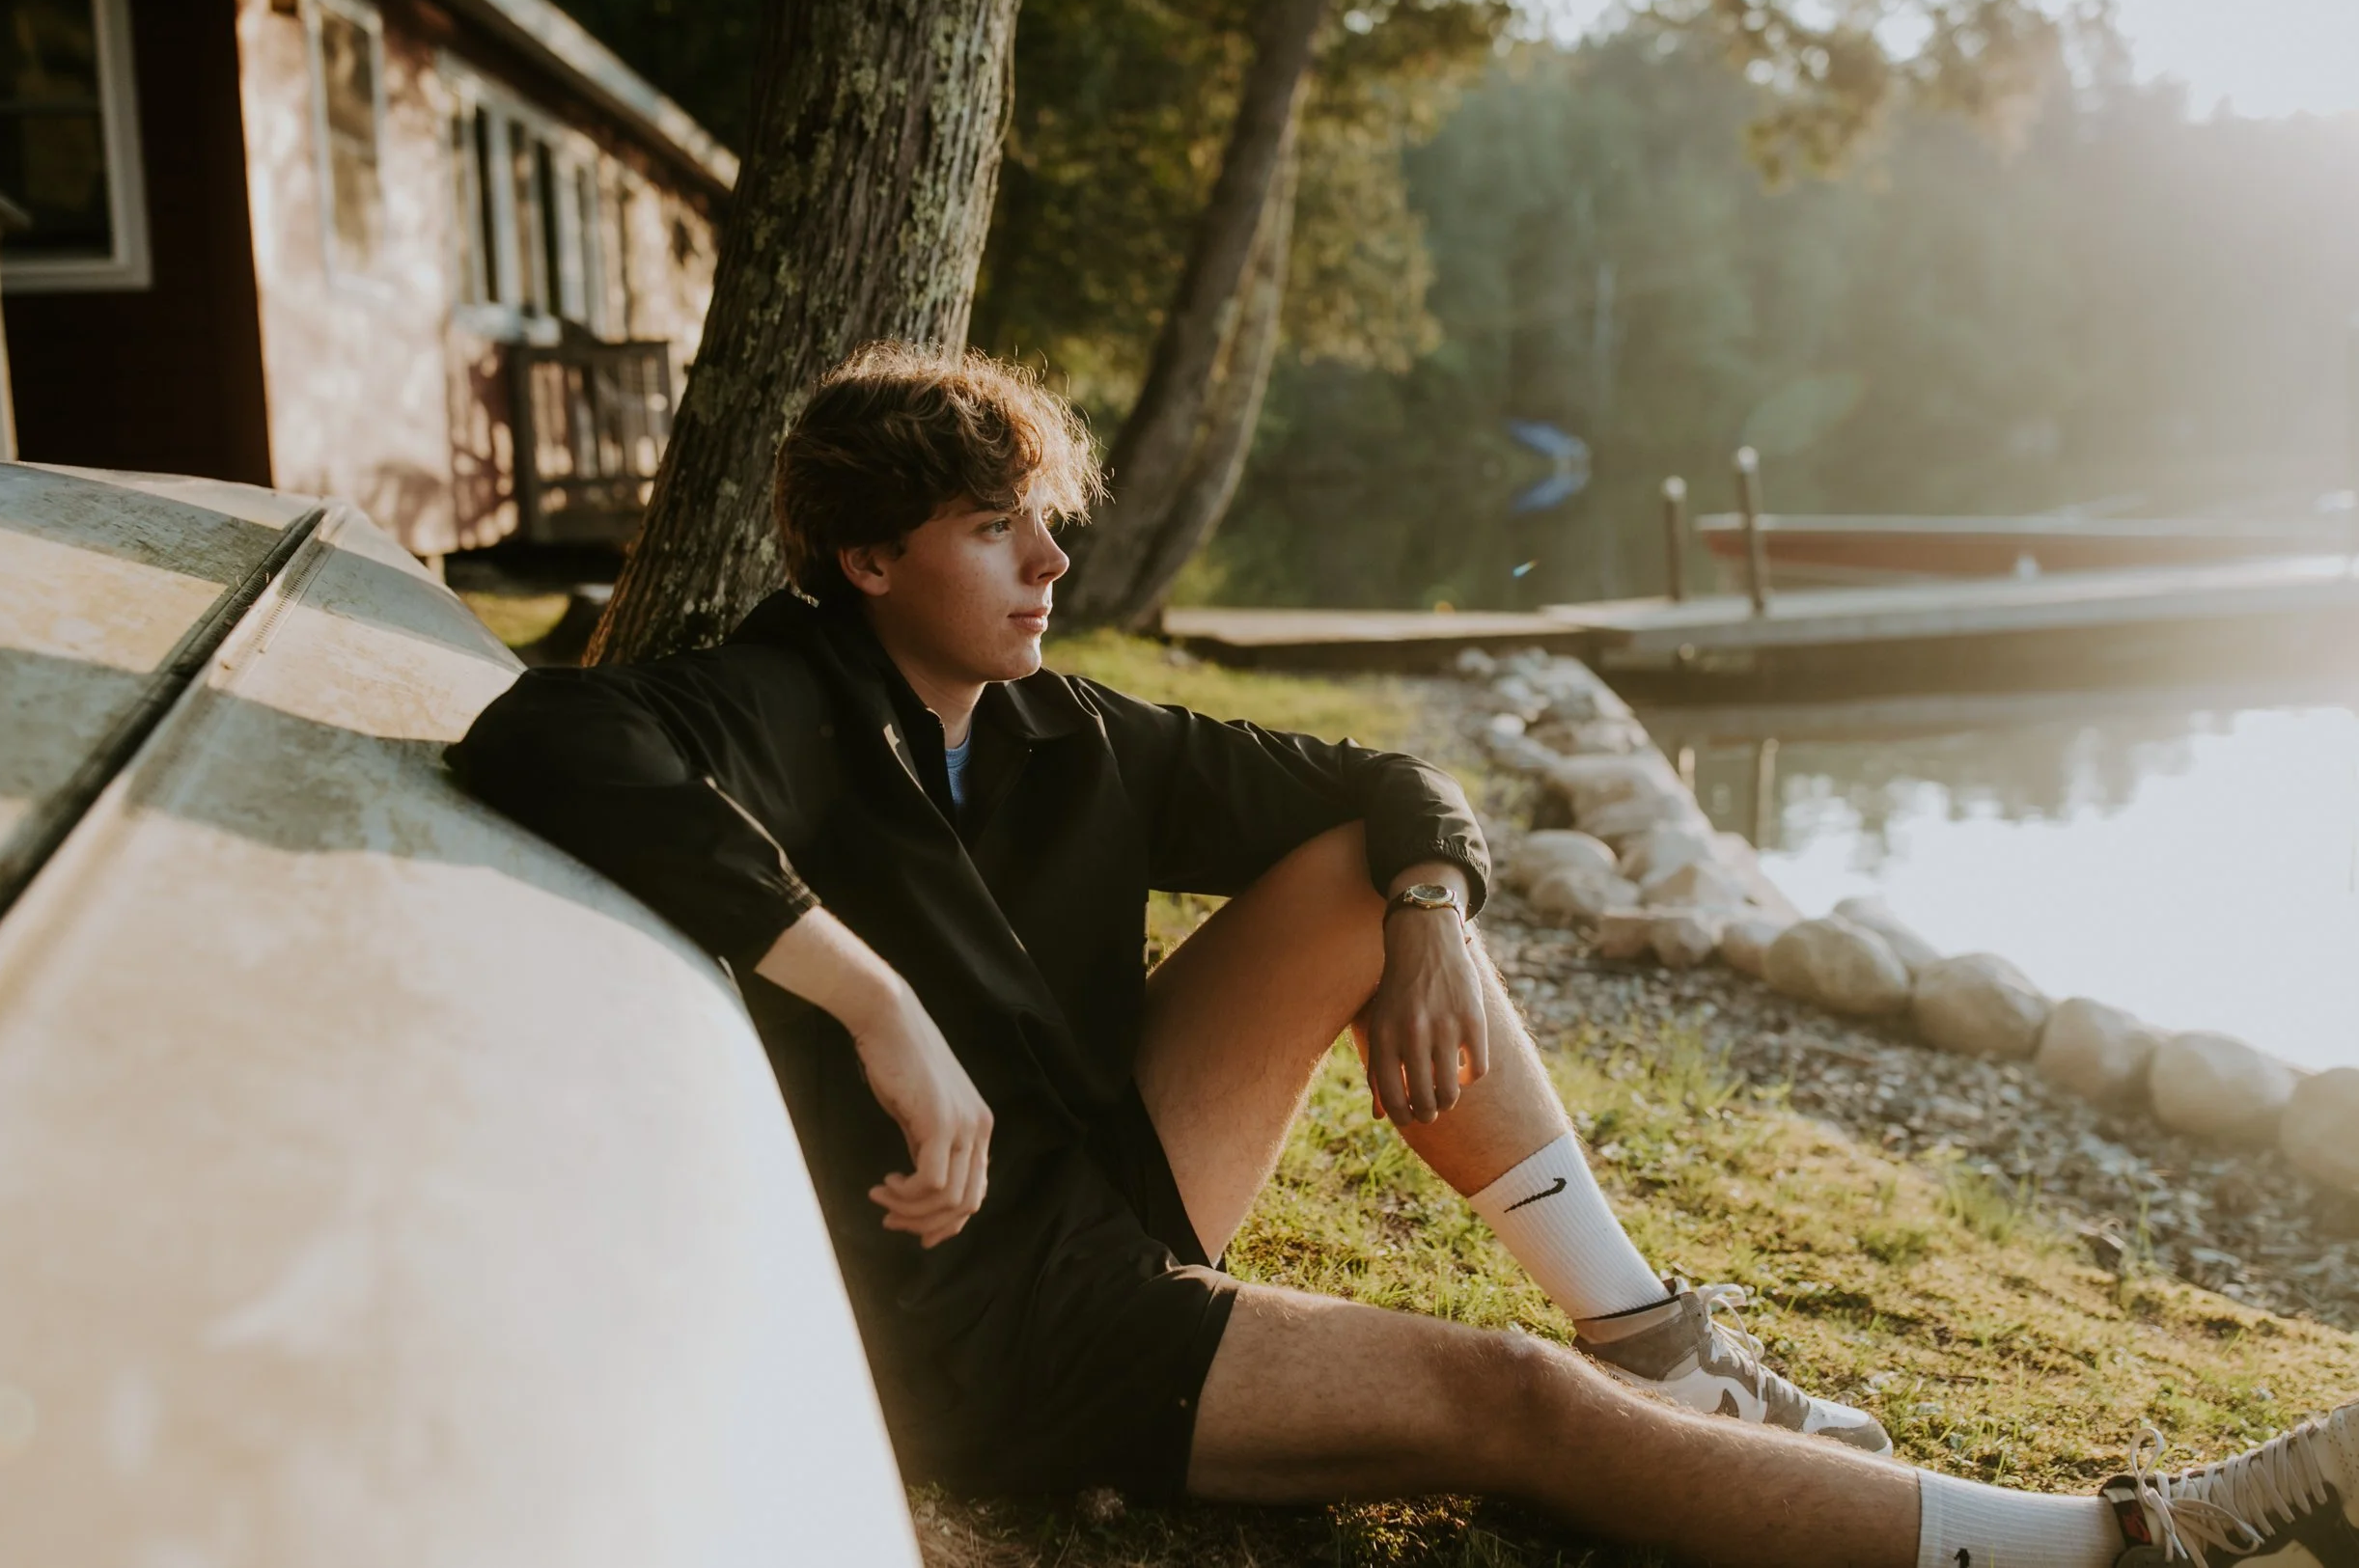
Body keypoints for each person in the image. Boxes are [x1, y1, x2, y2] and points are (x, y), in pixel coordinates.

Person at [448, 344, 2356, 1568]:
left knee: (1365, 867)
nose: (1043, 567)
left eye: (1042, 524)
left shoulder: (1050, 724)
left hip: (1095, 1185)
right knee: (1501, 1406)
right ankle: (2117, 1545)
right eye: (987, 532)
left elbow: (1386, 780)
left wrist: (1433, 917)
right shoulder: (787, 696)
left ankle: (1652, 1328)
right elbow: (547, 734)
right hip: (979, 1314)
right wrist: (872, 998)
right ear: (865, 561)